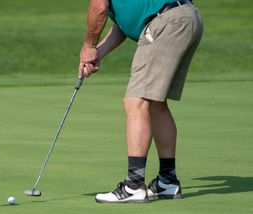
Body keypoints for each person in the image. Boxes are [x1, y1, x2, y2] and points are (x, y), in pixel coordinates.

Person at [79, 0, 203, 203]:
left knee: (136, 101)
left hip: (165, 22)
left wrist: (88, 46)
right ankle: (167, 181)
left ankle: (134, 185)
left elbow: (98, 8)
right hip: (187, 17)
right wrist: (98, 53)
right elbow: (124, 26)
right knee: (155, 103)